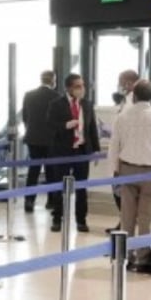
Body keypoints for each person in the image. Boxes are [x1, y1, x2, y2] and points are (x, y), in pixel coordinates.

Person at [108, 80, 151, 271]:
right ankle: (144, 259)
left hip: (127, 171)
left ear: (134, 95)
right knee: (146, 218)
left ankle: (125, 257)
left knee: (127, 216)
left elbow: (114, 146)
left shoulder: (123, 116)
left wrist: (113, 173)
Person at [45, 73, 101, 233]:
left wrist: (95, 149)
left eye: (82, 85)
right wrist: (65, 125)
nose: (81, 89)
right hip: (62, 151)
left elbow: (92, 129)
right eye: (77, 86)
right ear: (68, 88)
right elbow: (49, 125)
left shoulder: (87, 105)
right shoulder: (56, 104)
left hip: (82, 150)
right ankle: (57, 218)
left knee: (81, 188)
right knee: (60, 186)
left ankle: (81, 220)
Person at [21, 70, 59, 213]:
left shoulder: (29, 95)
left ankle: (29, 201)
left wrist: (32, 130)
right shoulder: (56, 97)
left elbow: (25, 117)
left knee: (33, 170)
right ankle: (51, 200)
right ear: (53, 81)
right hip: (50, 140)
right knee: (51, 171)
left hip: (33, 138)